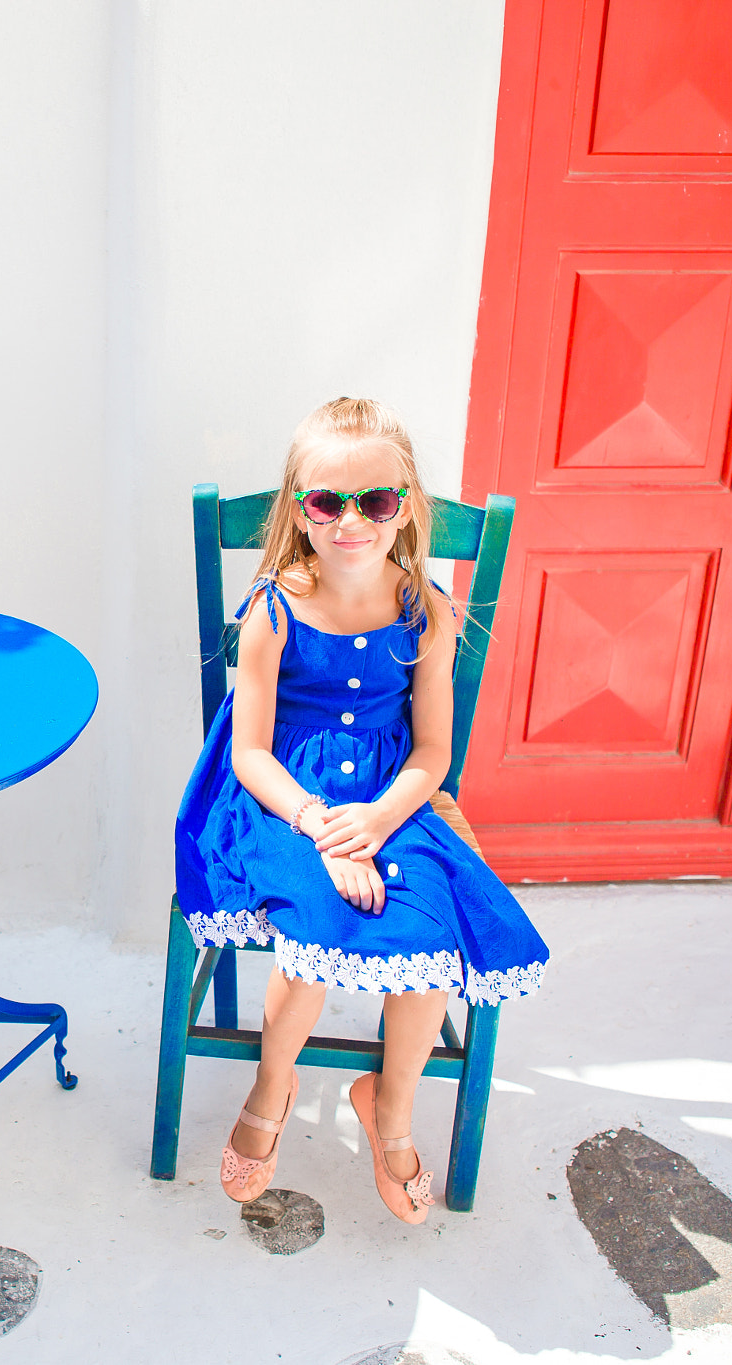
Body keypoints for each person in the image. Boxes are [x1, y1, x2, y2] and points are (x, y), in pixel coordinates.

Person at [173, 396, 548, 1224]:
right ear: (297, 510)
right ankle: (274, 1078)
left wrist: (375, 822)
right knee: (314, 916)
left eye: (375, 501)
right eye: (326, 501)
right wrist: (319, 824)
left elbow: (431, 754)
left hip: (391, 793)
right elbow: (249, 753)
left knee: (428, 925)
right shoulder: (274, 611)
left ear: (404, 505)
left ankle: (391, 1103)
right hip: (282, 797)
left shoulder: (430, 612)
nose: (352, 521)